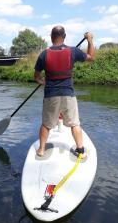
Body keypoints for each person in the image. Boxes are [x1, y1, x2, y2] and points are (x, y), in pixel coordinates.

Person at [34, 26, 95, 158]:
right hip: (68, 94)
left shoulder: (44, 54)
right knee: (75, 124)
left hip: (51, 95)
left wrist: (42, 81)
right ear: (65, 36)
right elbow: (91, 58)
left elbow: (36, 77)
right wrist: (89, 40)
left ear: (51, 37)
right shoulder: (73, 51)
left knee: (46, 125)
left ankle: (41, 150)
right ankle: (80, 150)